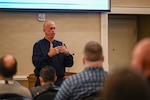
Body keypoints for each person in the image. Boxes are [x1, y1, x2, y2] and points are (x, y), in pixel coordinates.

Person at [32, 20, 74, 86]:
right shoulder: (38, 45)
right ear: (44, 30)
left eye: (54, 28)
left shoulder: (60, 45)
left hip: (59, 81)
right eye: (51, 28)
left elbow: (69, 64)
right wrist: (49, 55)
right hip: (43, 82)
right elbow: (37, 63)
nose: (53, 30)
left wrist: (67, 53)